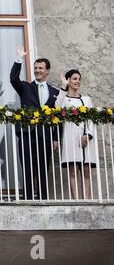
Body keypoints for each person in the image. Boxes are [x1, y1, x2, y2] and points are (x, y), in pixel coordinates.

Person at [10, 46, 59, 200]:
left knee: (44, 168)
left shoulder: (55, 92)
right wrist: (19, 59)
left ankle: (43, 198)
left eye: (41, 68)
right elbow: (13, 79)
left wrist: (56, 137)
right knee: (28, 168)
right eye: (35, 68)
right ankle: (29, 198)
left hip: (44, 135)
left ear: (47, 71)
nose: (37, 70)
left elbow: (57, 117)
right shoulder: (25, 87)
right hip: (26, 133)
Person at [56, 69, 97, 199]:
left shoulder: (86, 99)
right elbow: (57, 107)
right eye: (74, 79)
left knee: (86, 171)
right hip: (70, 138)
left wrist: (88, 135)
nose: (77, 81)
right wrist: (63, 87)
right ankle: (77, 200)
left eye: (79, 79)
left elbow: (91, 119)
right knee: (73, 170)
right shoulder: (64, 99)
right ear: (68, 81)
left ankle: (87, 200)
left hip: (85, 139)